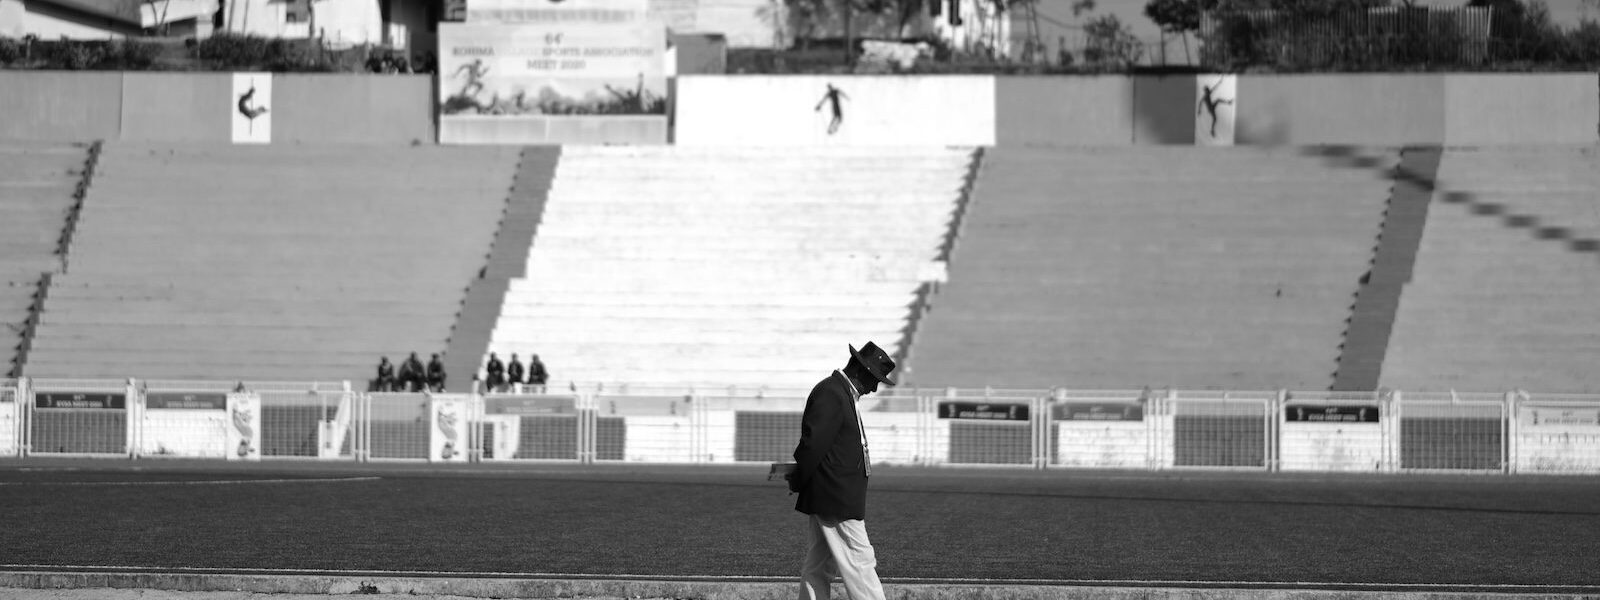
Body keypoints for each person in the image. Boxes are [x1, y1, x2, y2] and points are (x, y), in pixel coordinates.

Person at [788, 341, 897, 600]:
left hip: (833, 496)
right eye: (874, 379)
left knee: (818, 567)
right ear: (860, 371)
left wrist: (800, 478)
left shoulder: (839, 393)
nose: (874, 387)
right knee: (860, 563)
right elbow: (813, 445)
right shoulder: (832, 394)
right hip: (836, 499)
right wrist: (799, 477)